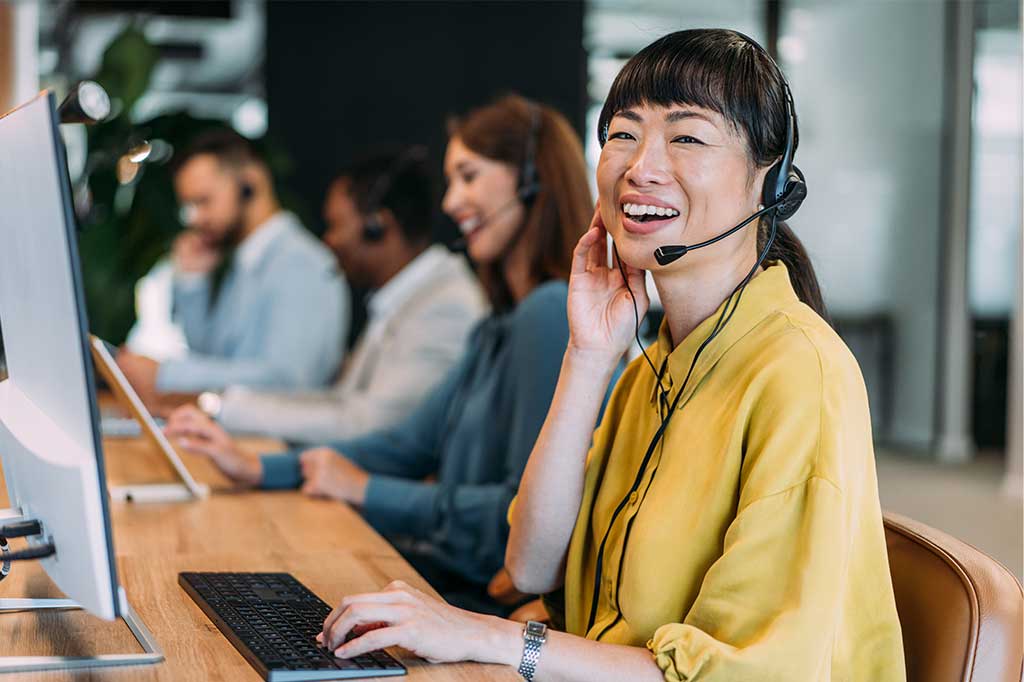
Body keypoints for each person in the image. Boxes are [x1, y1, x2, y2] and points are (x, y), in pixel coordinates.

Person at [308, 30, 907, 681]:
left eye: (687, 137)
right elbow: (532, 564)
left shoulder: (798, 375)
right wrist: (590, 357)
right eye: (623, 133)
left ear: (770, 179)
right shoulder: (653, 369)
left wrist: (497, 640)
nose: (640, 166)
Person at [165, 95, 595, 613]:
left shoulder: (548, 316)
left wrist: (367, 490)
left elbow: (518, 513)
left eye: (468, 176)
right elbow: (405, 445)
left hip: (478, 605)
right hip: (445, 583)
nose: (450, 202)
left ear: (530, 180)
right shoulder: (498, 326)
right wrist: (260, 467)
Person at [172, 148, 488, 443]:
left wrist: (221, 408)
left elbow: (368, 424)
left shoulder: (444, 305)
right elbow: (342, 401)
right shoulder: (402, 298)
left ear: (378, 226)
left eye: (336, 226)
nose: (328, 242)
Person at [117, 129, 349, 403]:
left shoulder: (302, 263)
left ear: (250, 183)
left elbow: (286, 380)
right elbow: (213, 356)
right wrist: (194, 283)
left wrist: (166, 375)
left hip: (275, 443)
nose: (195, 218)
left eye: (203, 201)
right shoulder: (244, 259)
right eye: (189, 206)